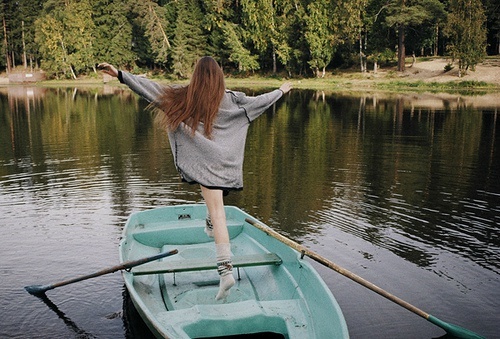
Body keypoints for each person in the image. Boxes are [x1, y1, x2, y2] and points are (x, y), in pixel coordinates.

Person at [98, 57, 292, 300]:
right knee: (212, 204)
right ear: (219, 77)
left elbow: (151, 89)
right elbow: (261, 102)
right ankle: (210, 226)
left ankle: (225, 271)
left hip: (204, 164)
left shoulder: (184, 98)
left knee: (218, 212)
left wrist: (120, 74)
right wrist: (280, 91)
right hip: (223, 165)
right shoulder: (234, 100)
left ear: (196, 77)